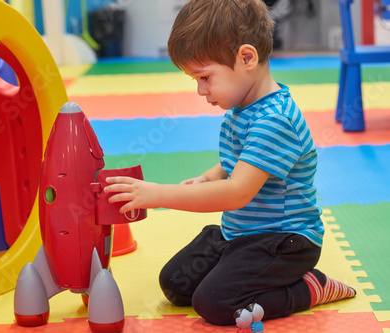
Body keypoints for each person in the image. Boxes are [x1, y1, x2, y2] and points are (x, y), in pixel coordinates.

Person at [104, 0, 355, 326]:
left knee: (214, 303)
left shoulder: (275, 120)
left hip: (284, 243)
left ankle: (310, 286)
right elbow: (236, 163)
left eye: (205, 76)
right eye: (195, 79)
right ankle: (239, 264)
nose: (200, 90)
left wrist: (156, 194)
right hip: (241, 233)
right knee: (176, 283)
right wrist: (208, 178)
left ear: (246, 58)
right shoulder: (243, 108)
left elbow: (237, 192)